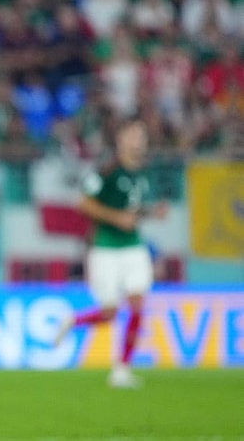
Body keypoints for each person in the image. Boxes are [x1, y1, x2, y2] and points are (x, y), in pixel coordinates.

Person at [53, 119, 167, 388]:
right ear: (120, 139)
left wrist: (152, 212)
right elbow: (83, 203)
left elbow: (132, 211)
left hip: (134, 247)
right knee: (109, 312)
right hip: (105, 249)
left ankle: (122, 369)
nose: (138, 141)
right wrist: (116, 218)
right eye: (133, 135)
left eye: (141, 135)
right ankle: (73, 320)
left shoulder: (143, 174)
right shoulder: (106, 171)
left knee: (137, 303)